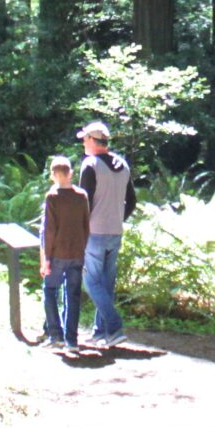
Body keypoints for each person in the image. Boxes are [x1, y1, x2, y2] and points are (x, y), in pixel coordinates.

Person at [76, 120, 136, 348]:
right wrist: (118, 218)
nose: (83, 142)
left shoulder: (90, 165)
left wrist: (81, 228)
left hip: (94, 232)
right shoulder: (123, 164)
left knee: (90, 281)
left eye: (85, 138)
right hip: (115, 232)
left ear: (93, 140)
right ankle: (101, 333)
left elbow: (85, 202)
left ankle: (114, 325)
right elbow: (132, 201)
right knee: (106, 283)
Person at [38, 155, 91, 349]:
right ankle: (72, 340)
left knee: (50, 291)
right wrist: (82, 250)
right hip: (77, 254)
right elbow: (86, 226)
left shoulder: (53, 197)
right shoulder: (81, 196)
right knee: (73, 296)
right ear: (70, 173)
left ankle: (55, 335)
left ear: (53, 175)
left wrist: (47, 259)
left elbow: (49, 230)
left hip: (57, 254)